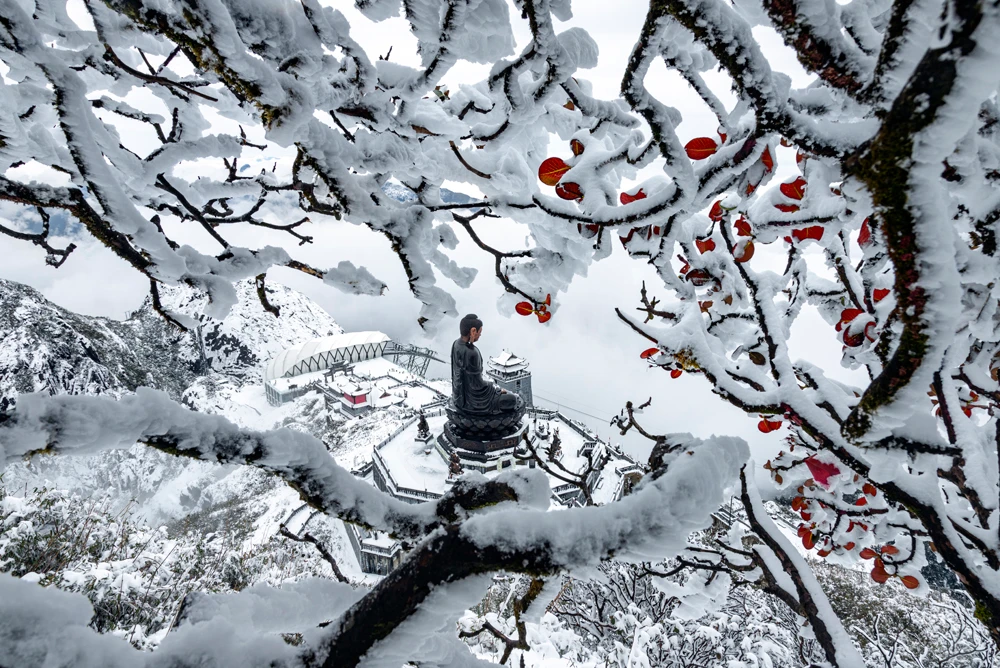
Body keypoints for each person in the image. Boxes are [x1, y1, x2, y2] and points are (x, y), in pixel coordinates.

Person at [451, 314, 522, 415]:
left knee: (507, 395)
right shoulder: (472, 352)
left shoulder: (455, 344)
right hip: (474, 402)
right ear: (473, 331)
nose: (480, 335)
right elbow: (477, 385)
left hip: (458, 399)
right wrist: (494, 388)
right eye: (480, 332)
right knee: (512, 399)